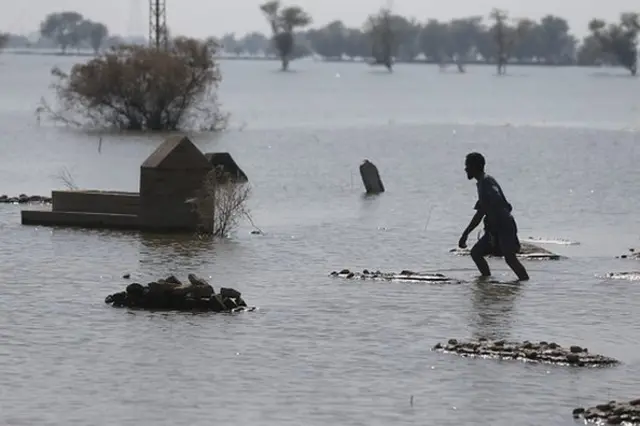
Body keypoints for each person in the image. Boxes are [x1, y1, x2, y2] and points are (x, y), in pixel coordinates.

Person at [458, 152, 529, 281]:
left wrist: (465, 234)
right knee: (476, 253)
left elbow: (482, 212)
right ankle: (486, 283)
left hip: (503, 226)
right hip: (494, 227)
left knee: (510, 258)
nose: (465, 169)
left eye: (467, 166)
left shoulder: (486, 183)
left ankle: (525, 283)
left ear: (474, 167)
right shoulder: (484, 182)